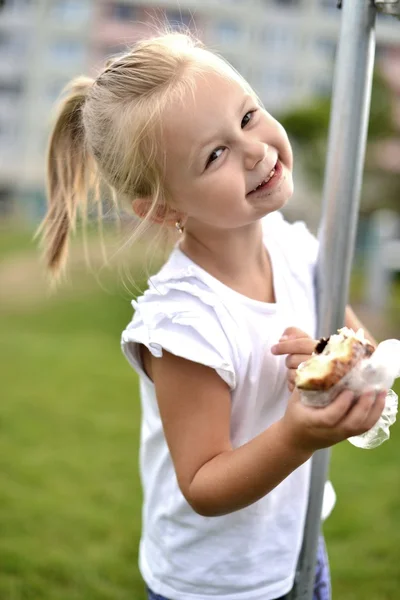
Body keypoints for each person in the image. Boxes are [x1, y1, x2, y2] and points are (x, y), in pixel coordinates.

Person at [39, 31, 386, 600]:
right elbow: (203, 483)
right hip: (214, 584)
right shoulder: (184, 323)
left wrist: (347, 374)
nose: (254, 150)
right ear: (162, 207)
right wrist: (297, 434)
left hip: (299, 550)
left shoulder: (296, 249)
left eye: (248, 116)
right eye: (215, 155)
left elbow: (361, 359)